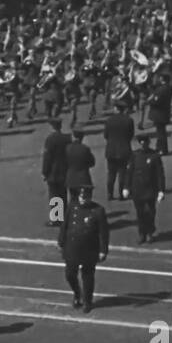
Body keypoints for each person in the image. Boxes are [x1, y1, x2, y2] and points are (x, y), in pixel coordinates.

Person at [58, 184, 109, 313]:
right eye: (81, 197)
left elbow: (103, 233)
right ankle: (77, 293)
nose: (82, 200)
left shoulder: (98, 211)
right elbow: (65, 226)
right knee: (70, 274)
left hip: (89, 249)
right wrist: (61, 241)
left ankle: (87, 301)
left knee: (87, 277)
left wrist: (103, 250)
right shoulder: (72, 207)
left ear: (90, 197)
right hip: (72, 247)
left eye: (85, 197)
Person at [124, 134, 166, 244]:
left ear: (148, 143)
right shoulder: (135, 155)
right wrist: (126, 187)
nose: (143, 145)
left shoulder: (154, 156)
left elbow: (160, 174)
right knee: (140, 213)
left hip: (150, 189)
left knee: (150, 212)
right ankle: (142, 233)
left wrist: (161, 190)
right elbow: (129, 172)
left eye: (145, 143)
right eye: (141, 143)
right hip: (137, 189)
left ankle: (150, 233)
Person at [103, 101, 135, 201]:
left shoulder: (109, 120)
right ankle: (121, 194)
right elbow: (131, 135)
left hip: (111, 150)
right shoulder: (129, 120)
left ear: (116, 109)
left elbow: (106, 135)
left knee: (111, 173)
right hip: (124, 149)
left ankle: (109, 193)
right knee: (122, 173)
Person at [41, 118, 69, 226]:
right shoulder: (66, 138)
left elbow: (47, 158)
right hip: (64, 170)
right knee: (63, 194)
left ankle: (55, 218)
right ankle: (63, 216)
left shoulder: (50, 139)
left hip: (53, 172)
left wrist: (45, 172)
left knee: (54, 195)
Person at [65, 130, 95, 204]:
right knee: (84, 200)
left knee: (73, 199)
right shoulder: (85, 149)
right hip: (84, 177)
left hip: (71, 178)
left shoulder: (67, 148)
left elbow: (65, 162)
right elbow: (92, 162)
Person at [147, 72, 172, 154]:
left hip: (160, 113)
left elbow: (156, 101)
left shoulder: (162, 89)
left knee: (161, 133)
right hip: (163, 113)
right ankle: (160, 148)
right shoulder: (167, 88)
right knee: (161, 132)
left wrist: (149, 101)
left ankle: (162, 149)